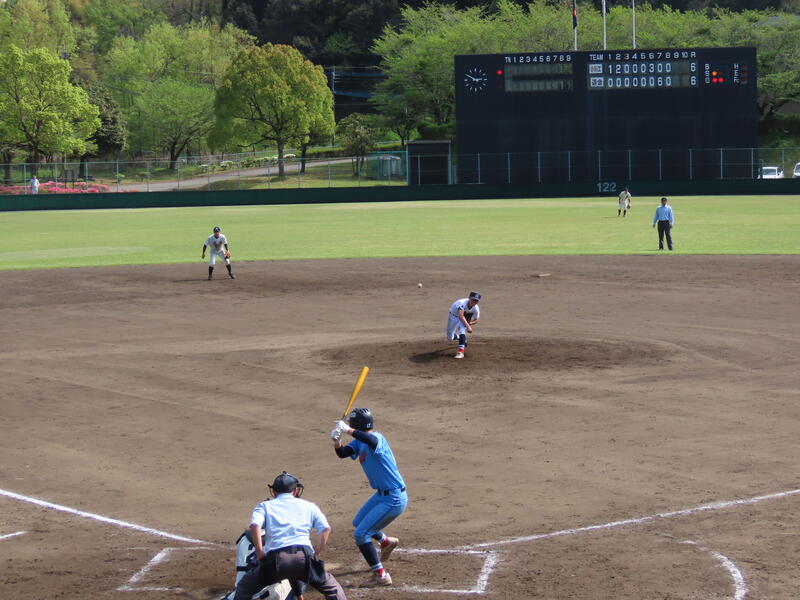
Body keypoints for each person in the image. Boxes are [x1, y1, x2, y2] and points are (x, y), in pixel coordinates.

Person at [232, 472, 347, 600]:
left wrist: (259, 552)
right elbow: (326, 529)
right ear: (295, 491)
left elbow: (255, 526)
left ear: (273, 491)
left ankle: (297, 594)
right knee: (333, 588)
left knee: (244, 587)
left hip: (276, 560)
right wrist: (316, 553)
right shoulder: (309, 506)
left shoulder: (264, 506)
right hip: (304, 557)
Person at [331, 408, 407, 587]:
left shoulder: (377, 438)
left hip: (394, 497)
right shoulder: (359, 442)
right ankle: (386, 542)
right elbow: (343, 454)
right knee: (358, 523)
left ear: (355, 425)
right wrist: (337, 441)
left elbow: (371, 440)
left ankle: (381, 576)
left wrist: (347, 430)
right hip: (381, 496)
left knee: (361, 534)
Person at [445, 291, 481, 359]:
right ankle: (460, 338)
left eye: (476, 301)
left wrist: (469, 323)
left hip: (464, 317)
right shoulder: (462, 303)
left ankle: (460, 352)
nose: (474, 302)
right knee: (449, 337)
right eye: (473, 300)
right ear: (469, 298)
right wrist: (468, 326)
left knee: (461, 330)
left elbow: (476, 319)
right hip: (453, 316)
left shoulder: (476, 308)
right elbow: (460, 316)